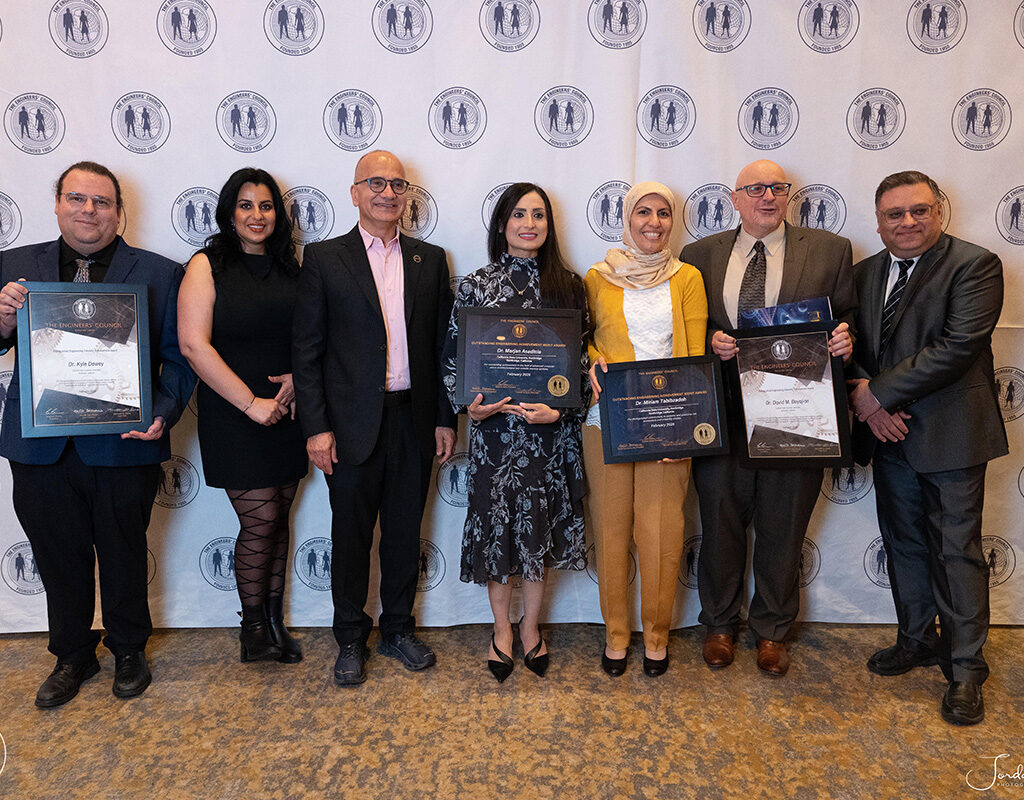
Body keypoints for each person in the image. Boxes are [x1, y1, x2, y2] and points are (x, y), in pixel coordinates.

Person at [0, 161, 195, 707]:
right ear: (57, 203)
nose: (89, 210)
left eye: (102, 202)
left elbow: (179, 361)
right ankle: (71, 655)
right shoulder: (13, 268)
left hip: (122, 442)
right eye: (77, 199)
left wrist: (161, 410)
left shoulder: (159, 273)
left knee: (123, 549)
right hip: (39, 444)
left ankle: (129, 648)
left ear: (119, 210)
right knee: (57, 554)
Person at [680, 160, 855, 676]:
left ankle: (773, 631)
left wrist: (846, 336)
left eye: (777, 188)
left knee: (784, 525)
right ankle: (717, 623)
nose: (767, 196)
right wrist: (710, 340)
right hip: (723, 413)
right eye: (755, 189)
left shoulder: (829, 250)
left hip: (797, 412)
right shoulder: (698, 254)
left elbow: (848, 316)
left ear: (787, 196)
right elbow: (691, 324)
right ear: (734, 199)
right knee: (720, 522)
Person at [292, 150, 456, 687]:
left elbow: (439, 348)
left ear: (407, 196)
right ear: (355, 191)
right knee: (352, 536)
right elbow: (308, 350)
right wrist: (316, 427)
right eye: (376, 183)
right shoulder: (323, 258)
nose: (388, 193)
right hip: (349, 427)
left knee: (404, 534)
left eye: (398, 185)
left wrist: (444, 418)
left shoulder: (430, 260)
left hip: (413, 420)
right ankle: (348, 638)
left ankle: (398, 629)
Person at [848, 171, 1007, 725]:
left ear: (938, 212)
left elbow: (958, 346)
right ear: (879, 221)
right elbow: (852, 347)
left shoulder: (975, 264)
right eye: (895, 214)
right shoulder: (864, 272)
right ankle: (916, 639)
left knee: (956, 551)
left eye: (919, 210)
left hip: (953, 435)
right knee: (905, 543)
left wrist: (877, 396)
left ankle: (965, 670)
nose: (908, 222)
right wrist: (870, 401)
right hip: (889, 434)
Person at [441, 183, 590, 682]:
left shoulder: (569, 287)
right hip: (496, 440)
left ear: (550, 225)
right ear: (502, 223)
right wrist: (472, 410)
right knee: (498, 532)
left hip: (552, 439)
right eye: (520, 214)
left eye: (539, 215)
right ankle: (501, 629)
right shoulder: (476, 286)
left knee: (538, 531)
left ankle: (532, 630)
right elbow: (452, 362)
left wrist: (564, 411)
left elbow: (583, 366)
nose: (530, 223)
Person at [177, 168, 308, 664]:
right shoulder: (206, 265)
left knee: (280, 519)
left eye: (267, 205)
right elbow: (193, 344)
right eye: (247, 205)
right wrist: (252, 404)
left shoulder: (290, 267)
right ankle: (252, 629)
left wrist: (297, 377)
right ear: (230, 212)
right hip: (235, 413)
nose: (257, 215)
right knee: (261, 519)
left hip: (288, 412)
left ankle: (273, 622)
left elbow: (308, 332)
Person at [584, 182, 708, 678]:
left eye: (662, 213)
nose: (652, 222)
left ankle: (656, 636)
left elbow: (695, 356)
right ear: (626, 218)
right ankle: (616, 633)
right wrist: (592, 361)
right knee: (611, 531)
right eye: (642, 212)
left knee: (661, 531)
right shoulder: (597, 276)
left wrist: (684, 426)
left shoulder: (688, 277)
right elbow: (586, 341)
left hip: (669, 424)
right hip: (606, 423)